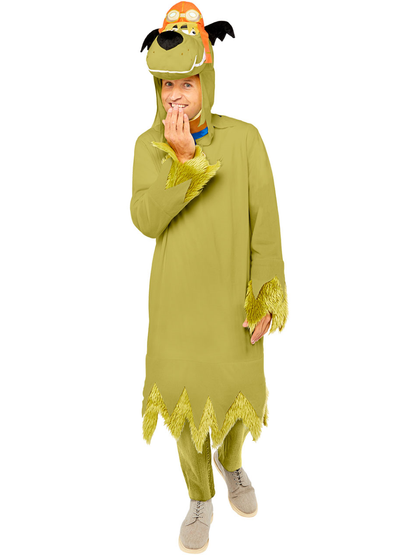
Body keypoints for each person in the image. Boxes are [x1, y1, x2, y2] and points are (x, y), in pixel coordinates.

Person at [130, 3, 288, 553]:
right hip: (176, 307)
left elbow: (265, 224)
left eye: (187, 83)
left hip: (232, 303)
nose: (175, 95)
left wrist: (266, 294)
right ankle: (200, 496)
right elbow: (146, 220)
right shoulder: (147, 146)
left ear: (207, 82)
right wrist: (181, 160)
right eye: (166, 85)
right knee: (184, 410)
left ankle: (232, 460)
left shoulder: (245, 140)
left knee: (240, 397)